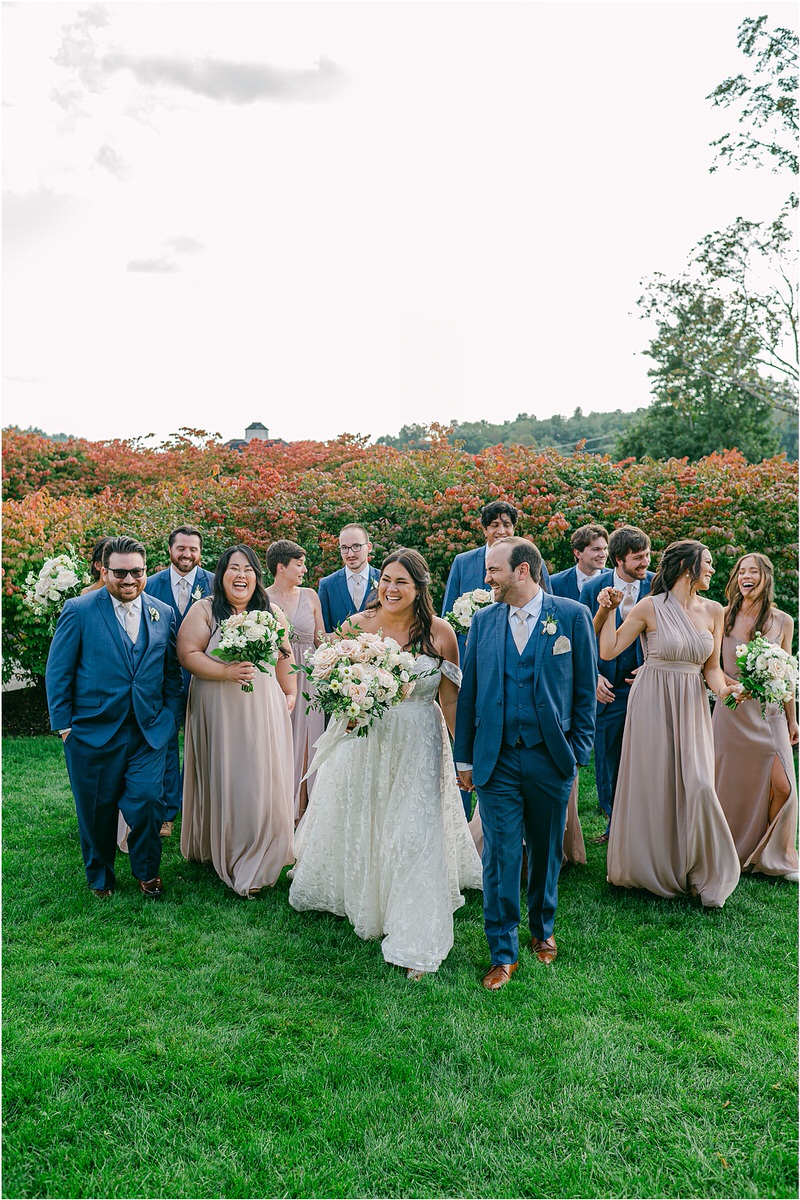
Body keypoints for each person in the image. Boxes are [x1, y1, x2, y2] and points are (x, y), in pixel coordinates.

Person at [289, 548, 482, 979]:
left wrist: (464, 757)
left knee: (414, 830)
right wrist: (347, 706)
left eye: (401, 583)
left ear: (419, 589)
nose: (390, 589)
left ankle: (416, 933)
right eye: (386, 580)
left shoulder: (440, 633)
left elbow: (449, 699)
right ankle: (364, 893)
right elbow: (331, 681)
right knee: (367, 817)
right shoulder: (358, 625)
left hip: (419, 741)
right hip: (366, 740)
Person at [454, 538, 596, 990]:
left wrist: (577, 752)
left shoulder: (571, 616)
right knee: (499, 855)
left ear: (523, 571)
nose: (486, 577)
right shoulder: (483, 621)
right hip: (495, 758)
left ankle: (543, 928)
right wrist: (465, 757)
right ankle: (502, 951)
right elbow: (470, 690)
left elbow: (584, 690)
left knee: (545, 847)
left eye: (494, 569)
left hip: (551, 757)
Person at [595, 539, 741, 907]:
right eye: (707, 563)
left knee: (700, 784)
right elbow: (608, 649)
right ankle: (654, 867)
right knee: (656, 783)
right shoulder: (649, 606)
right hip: (653, 700)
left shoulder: (714, 611)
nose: (712, 569)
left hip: (691, 702)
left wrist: (729, 693)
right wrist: (606, 612)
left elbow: (713, 670)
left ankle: (703, 868)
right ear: (687, 567)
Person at [45, 536, 183, 898]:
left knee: (150, 800)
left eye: (136, 572)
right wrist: (65, 728)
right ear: (104, 571)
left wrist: (169, 720)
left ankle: (147, 871)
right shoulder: (79, 609)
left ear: (145, 570)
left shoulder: (162, 612)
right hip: (91, 733)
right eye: (119, 572)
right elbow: (58, 672)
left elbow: (172, 675)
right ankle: (101, 877)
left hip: (149, 733)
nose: (128, 580)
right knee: (96, 812)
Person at [178, 545, 296, 898]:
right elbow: (187, 654)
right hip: (218, 707)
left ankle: (258, 853)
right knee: (228, 774)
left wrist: (289, 693)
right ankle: (225, 848)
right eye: (233, 568)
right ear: (221, 574)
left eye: (248, 569)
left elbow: (284, 657)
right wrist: (226, 671)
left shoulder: (272, 613)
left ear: (258, 576)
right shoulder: (205, 611)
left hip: (263, 706)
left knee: (259, 776)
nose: (241, 575)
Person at [442, 500, 552, 820]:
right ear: (484, 529)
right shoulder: (464, 562)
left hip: (517, 660)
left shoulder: (528, 558)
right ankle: (461, 815)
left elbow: (546, 606)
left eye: (507, 524)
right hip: (471, 660)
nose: (501, 530)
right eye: (495, 525)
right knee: (462, 732)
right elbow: (449, 613)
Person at [713, 553, 799, 880]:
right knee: (730, 784)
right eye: (741, 572)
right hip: (732, 711)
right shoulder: (722, 616)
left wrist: (792, 719)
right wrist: (738, 685)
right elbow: (713, 668)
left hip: (772, 712)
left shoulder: (783, 621)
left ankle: (770, 851)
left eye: (753, 571)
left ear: (766, 578)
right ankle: (734, 850)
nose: (746, 576)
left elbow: (787, 674)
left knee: (784, 786)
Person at [581, 525, 654, 841]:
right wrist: (592, 676)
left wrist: (651, 665)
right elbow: (583, 637)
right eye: (638, 558)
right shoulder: (592, 588)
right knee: (608, 756)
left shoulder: (657, 586)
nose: (646, 563)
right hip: (607, 688)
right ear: (618, 560)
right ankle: (614, 825)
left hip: (645, 683)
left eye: (648, 555)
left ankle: (644, 824)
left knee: (645, 754)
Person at [144, 526, 215, 837]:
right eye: (181, 548)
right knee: (168, 746)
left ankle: (204, 805)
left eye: (193, 549)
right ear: (170, 550)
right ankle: (168, 811)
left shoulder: (214, 583)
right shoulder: (151, 584)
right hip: (163, 682)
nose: (187, 554)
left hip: (206, 677)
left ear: (201, 552)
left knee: (208, 743)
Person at [266, 539, 326, 825]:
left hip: (309, 679)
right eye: (299, 564)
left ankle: (304, 810)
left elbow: (321, 639)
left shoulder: (311, 595)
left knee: (307, 740)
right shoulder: (261, 600)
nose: (304, 569)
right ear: (282, 567)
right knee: (278, 740)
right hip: (276, 679)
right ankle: (278, 809)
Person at [318, 524, 381, 633]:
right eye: (344, 548)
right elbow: (325, 632)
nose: (350, 554)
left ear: (369, 547)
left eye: (356, 546)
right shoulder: (327, 585)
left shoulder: (384, 580)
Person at [550, 524, 609, 600]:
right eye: (596, 549)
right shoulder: (555, 583)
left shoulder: (615, 579)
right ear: (578, 553)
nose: (603, 554)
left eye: (605, 548)